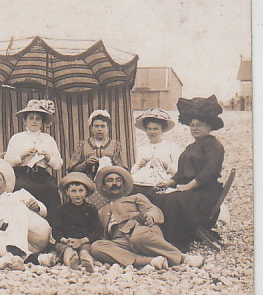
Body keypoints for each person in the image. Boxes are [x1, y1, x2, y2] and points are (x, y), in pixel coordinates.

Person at [90, 166, 204, 269]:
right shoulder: (102, 211)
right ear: (104, 187)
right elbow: (102, 235)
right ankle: (150, 261)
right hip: (123, 242)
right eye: (110, 181)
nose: (114, 183)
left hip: (143, 230)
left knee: (138, 236)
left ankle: (183, 258)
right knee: (96, 247)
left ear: (124, 186)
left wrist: (150, 217)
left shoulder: (136, 197)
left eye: (118, 180)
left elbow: (153, 210)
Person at [155, 95, 226, 252]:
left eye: (199, 125)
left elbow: (208, 173)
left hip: (205, 192)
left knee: (174, 199)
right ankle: (163, 236)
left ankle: (177, 242)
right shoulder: (192, 146)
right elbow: (181, 173)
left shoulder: (214, 146)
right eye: (192, 125)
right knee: (159, 196)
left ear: (209, 126)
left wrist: (186, 187)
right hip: (193, 190)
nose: (194, 128)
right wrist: (169, 183)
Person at [0, 157, 56, 270]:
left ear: (5, 182)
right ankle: (35, 259)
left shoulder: (20, 195)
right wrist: (1, 231)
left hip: (37, 235)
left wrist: (37, 207)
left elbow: (43, 212)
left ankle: (11, 256)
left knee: (18, 208)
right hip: (20, 245)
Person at [4, 99, 63, 217]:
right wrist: (22, 155)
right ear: (25, 121)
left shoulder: (48, 139)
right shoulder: (17, 138)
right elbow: (7, 161)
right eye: (31, 118)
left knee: (51, 188)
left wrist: (48, 157)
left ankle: (52, 228)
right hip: (21, 175)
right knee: (19, 188)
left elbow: (58, 164)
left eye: (38, 119)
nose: (34, 121)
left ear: (42, 122)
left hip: (41, 175)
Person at [67, 109, 126, 208]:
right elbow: (72, 169)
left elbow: (122, 169)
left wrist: (110, 165)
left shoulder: (115, 145)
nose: (99, 129)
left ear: (108, 128)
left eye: (103, 126)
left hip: (109, 186)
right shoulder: (83, 145)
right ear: (91, 128)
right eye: (96, 126)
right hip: (87, 185)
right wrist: (86, 163)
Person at [51, 172, 103, 273]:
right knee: (64, 249)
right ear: (67, 192)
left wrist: (83, 240)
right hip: (66, 240)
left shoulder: (91, 209)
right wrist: (65, 240)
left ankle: (86, 260)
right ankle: (71, 260)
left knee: (86, 249)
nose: (77, 194)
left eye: (81, 191)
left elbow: (96, 231)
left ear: (86, 192)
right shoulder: (61, 209)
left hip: (84, 240)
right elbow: (56, 230)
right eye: (73, 191)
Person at [130, 108, 181, 204]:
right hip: (142, 184)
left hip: (163, 183)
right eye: (149, 129)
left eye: (155, 129)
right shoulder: (142, 148)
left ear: (162, 130)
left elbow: (178, 171)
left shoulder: (171, 146)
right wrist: (139, 164)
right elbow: (133, 172)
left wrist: (167, 165)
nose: (152, 132)